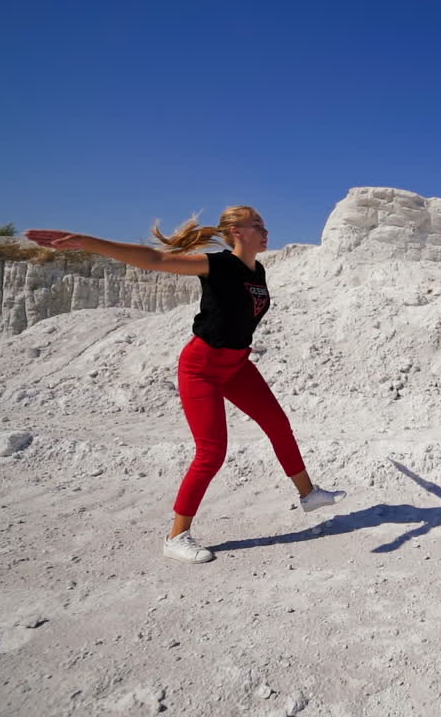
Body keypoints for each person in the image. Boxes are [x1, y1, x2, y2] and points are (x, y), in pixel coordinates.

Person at [25, 206, 346, 564]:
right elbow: (153, 259)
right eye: (258, 226)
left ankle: (308, 495)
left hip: (237, 364)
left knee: (278, 424)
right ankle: (177, 536)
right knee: (212, 453)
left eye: (264, 225)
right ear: (237, 231)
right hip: (202, 367)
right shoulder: (218, 265)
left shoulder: (259, 270)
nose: (266, 231)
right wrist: (88, 242)